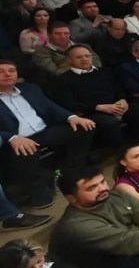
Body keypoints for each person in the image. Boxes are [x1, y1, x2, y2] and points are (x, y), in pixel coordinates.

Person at [0, 60, 96, 209]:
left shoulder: (30, 88)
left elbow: (50, 107)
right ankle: (38, 194)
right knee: (23, 152)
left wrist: (72, 117)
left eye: (11, 71)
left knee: (84, 128)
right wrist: (12, 137)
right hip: (18, 139)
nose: (7, 74)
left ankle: (71, 173)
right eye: (1, 72)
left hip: (44, 132)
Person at [54, 45, 139, 145]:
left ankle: (137, 143)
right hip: (92, 112)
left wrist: (122, 100)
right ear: (69, 60)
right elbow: (70, 104)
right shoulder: (63, 79)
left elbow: (119, 89)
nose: (84, 59)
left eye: (87, 56)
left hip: (116, 106)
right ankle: (119, 148)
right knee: (110, 123)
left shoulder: (104, 71)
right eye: (79, 57)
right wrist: (98, 107)